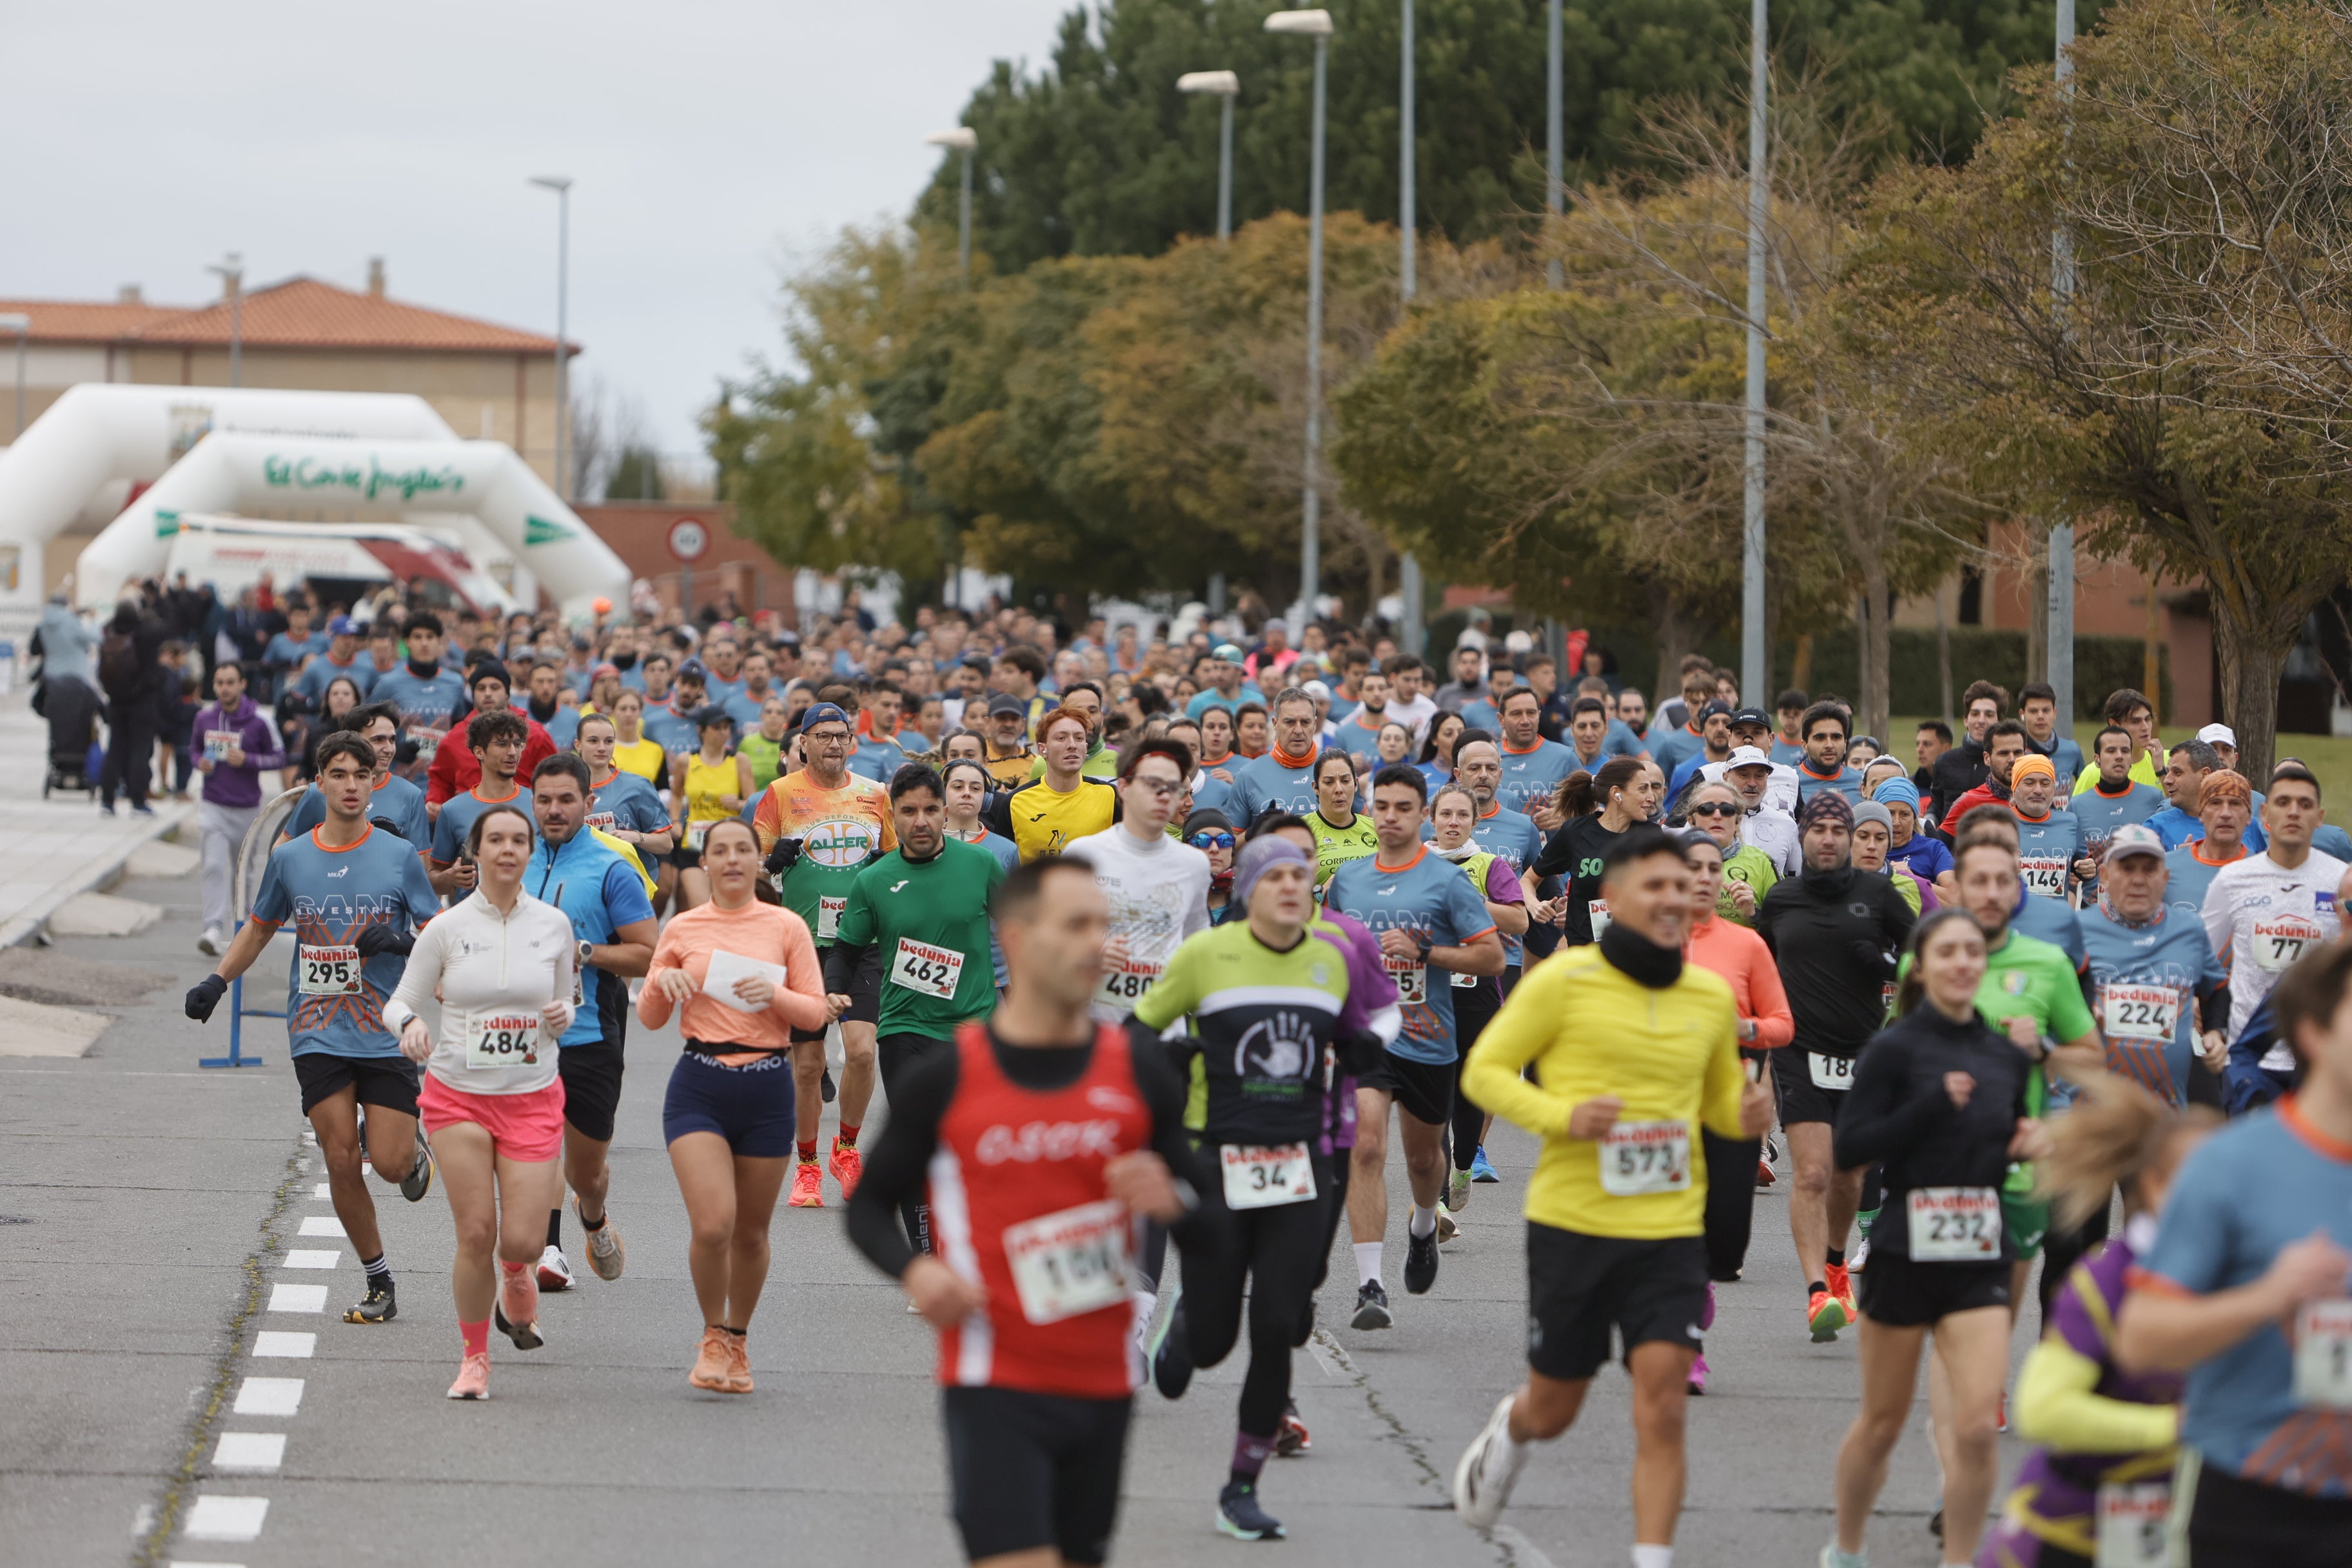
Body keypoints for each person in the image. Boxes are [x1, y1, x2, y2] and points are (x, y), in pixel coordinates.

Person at [846, 858, 1217, 1568]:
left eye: (1101, 925)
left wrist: (1177, 1205)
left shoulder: (1140, 1071)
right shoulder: (947, 1077)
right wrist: (917, 1270)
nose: (1096, 943)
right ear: (1016, 939)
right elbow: (866, 1207)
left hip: (1104, 1384)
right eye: (1075, 925)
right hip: (995, 1380)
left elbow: (1215, 1230)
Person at [1451, 828, 1773, 1554]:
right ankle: (1513, 1430)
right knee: (1556, 1405)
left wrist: (1744, 1116)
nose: (1673, 897)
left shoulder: (1707, 997)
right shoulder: (1565, 981)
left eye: (1681, 885)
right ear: (1615, 898)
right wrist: (1563, 1116)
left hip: (1671, 1229)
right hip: (1574, 1224)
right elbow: (1485, 1072)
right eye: (1655, 885)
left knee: (1663, 1404)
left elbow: (1716, 1106)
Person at [1137, 836, 1369, 1542]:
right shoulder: (1206, 955)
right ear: (1248, 889)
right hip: (1216, 1161)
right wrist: (1170, 1067)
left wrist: (1368, 1054)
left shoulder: (1332, 959)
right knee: (1214, 1342)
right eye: (1276, 877)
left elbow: (1356, 1037)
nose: (1292, 886)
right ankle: (1186, 1328)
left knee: (1276, 1324)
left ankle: (1242, 1488)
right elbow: (1136, 1037)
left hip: (1300, 1165)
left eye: (1302, 874)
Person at [184, 733, 442, 1324]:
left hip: (384, 1024)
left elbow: (439, 931)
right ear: (319, 782)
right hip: (317, 1025)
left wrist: (400, 940)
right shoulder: (291, 857)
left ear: (374, 783)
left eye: (361, 775)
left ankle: (409, 1148)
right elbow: (259, 927)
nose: (351, 785)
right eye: (339, 774)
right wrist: (217, 981)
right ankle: (379, 1281)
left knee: (391, 1164)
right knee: (341, 1156)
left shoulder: (399, 855)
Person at [2118, 937, 2352, 1566]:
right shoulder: (2229, 1165)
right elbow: (2142, 1339)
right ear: (2314, 1033)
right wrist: (2269, 1297)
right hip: (2252, 1495)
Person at [1822, 908, 2043, 1568]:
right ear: (1921, 966)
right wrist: (1927, 1106)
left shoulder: (2005, 1056)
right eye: (1947, 951)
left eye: (1973, 951)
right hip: (1905, 1252)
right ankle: (1847, 1548)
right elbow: (1851, 1149)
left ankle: (1960, 1559)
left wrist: (2026, 1143)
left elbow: (2002, 1140)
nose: (1963, 962)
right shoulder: (1894, 1049)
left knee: (1975, 1427)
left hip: (1979, 1254)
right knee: (1882, 1422)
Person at [1979, 1073, 2215, 1568]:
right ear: (2153, 1188)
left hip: (2192, 1527)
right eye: (2197, 1185)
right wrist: (2177, 1428)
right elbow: (2042, 1410)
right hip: (2070, 1530)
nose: (2219, 1202)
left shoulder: (2244, 1279)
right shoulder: (2106, 1281)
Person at [382, 802, 577, 1398]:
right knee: (475, 1233)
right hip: (458, 1095)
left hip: (531, 1096)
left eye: (519, 840)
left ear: (531, 851)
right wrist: (411, 1024)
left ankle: (515, 1273)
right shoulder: (446, 928)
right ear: (477, 851)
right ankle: (474, 1360)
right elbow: (399, 1001)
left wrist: (562, 1016)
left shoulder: (554, 925)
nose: (508, 849)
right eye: (496, 840)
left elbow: (568, 1001)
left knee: (523, 1241)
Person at [638, 818, 832, 1393]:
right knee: (713, 1223)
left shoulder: (785, 926)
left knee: (750, 1233)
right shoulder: (684, 928)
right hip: (700, 1083)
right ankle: (712, 1335)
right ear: (704, 863)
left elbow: (815, 1013)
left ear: (756, 860)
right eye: (718, 851)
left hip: (768, 1086)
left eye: (742, 850)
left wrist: (774, 994)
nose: (730, 860)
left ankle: (738, 1339)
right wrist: (663, 983)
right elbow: (650, 1017)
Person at [1325, 765, 1505, 1327]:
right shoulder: (1348, 880)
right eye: (1382, 806)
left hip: (1428, 1038)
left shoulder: (1448, 881)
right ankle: (1370, 1285)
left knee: (1425, 1160)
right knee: (1366, 1147)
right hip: (1367, 1037)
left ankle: (1425, 1227)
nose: (1391, 817)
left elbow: (1492, 957)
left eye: (1404, 807)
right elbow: (1328, 949)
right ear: (1371, 809)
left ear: (1422, 814)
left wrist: (1425, 953)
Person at [823, 763, 1008, 1258]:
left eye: (930, 810)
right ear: (892, 817)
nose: (921, 821)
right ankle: (928, 1262)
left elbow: (1022, 930)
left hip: (974, 1029)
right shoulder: (874, 880)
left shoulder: (981, 866)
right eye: (908, 811)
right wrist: (834, 990)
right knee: (916, 1142)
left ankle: (973, 1250)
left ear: (945, 813)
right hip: (904, 1030)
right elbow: (845, 950)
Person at [1756, 791, 1917, 1342]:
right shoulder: (1781, 899)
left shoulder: (1878, 894)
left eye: (1838, 830)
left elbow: (1925, 956)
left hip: (1863, 1055)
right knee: (1814, 1173)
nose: (1828, 838)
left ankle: (1834, 1261)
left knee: (1849, 1175)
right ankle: (1817, 1293)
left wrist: (1888, 963)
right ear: (1803, 835)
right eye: (1818, 829)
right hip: (1798, 1052)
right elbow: (1758, 964)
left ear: (1850, 840)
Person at [750, 701, 895, 1209]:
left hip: (861, 941)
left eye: (842, 735)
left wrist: (885, 865)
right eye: (824, 735)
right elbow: (752, 868)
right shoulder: (780, 794)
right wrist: (771, 862)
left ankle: (847, 1150)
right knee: (809, 1065)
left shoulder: (875, 794)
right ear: (804, 743)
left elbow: (898, 864)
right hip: (803, 944)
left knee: (862, 1052)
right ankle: (807, 1165)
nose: (835, 744)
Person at [526, 754, 660, 1291]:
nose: (554, 810)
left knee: (586, 1172)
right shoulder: (512, 861)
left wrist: (583, 951)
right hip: (521, 1039)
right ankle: (548, 1249)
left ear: (589, 802)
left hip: (589, 1038)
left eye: (566, 799)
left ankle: (594, 1216)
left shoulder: (612, 867)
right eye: (544, 800)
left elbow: (647, 954)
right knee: (535, 1148)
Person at [1681, 828, 1794, 1378]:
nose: (1705, 877)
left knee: (1725, 1246)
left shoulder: (1747, 945)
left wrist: (1745, 1027)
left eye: (1713, 868)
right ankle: (1685, 1344)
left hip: (1730, 1106)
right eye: (1692, 868)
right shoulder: (1643, 940)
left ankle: (1697, 1297)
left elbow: (1783, 1024)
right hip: (1663, 1107)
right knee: (1671, 1228)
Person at [2201, 765, 2347, 1083]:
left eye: (2305, 805)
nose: (2293, 812)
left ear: (2320, 817)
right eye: (2283, 803)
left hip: (2320, 1058)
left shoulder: (2342, 882)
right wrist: (2210, 1025)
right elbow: (2200, 958)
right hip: (2249, 1056)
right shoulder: (2233, 879)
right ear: (2264, 813)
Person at [1426, 782, 1530, 1227]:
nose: (1453, 823)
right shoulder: (1414, 864)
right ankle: (1437, 1202)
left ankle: (1465, 1165)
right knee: (1434, 1097)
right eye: (1445, 815)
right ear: (1432, 819)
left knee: (1469, 1094)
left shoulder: (1490, 865)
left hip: (1478, 992)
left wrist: (1472, 903)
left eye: (1461, 815)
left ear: (1475, 821)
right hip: (1426, 990)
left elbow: (1520, 920)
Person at [2081, 823, 2230, 1112]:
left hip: (2166, 1111)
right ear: (2105, 876)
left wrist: (2215, 1032)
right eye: (2127, 869)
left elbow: (2217, 988)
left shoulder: (2190, 929)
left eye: (2149, 870)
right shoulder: (2077, 930)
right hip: (2095, 1112)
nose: (2138, 880)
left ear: (2165, 878)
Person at [191, 660, 284, 956]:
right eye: (219, 683)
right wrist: (200, 763)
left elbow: (279, 757)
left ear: (243, 684)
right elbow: (194, 749)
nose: (225, 689)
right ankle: (212, 928)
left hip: (247, 808)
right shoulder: (204, 718)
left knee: (243, 871)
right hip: (213, 805)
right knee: (213, 865)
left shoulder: (260, 720)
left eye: (231, 682)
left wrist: (248, 760)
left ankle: (242, 927)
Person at [1531, 758, 1663, 948]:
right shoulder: (1576, 831)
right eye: (1643, 789)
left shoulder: (1652, 836)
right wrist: (1534, 905)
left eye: (1652, 789)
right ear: (1616, 793)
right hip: (1584, 953)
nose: (1651, 797)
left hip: (1633, 952)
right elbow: (1528, 880)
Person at [988, 707, 1119, 863]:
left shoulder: (1110, 795)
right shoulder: (1015, 802)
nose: (1072, 745)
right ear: (1043, 749)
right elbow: (1003, 864)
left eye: (1079, 738)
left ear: (1085, 747)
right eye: (1061, 738)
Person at [425, 662, 556, 815]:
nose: (487, 693)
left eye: (495, 687)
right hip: (469, 819)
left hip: (521, 816)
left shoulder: (535, 734)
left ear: (507, 693)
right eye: (481, 688)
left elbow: (553, 778)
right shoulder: (454, 738)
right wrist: (435, 802)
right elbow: (441, 780)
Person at [429, 710, 529, 899]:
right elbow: (434, 881)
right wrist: (450, 877)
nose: (513, 752)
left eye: (518, 744)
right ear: (479, 752)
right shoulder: (452, 811)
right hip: (475, 915)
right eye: (502, 744)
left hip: (529, 912)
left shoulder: (536, 803)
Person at [362, 611, 467, 783]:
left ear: (439, 641)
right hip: (400, 780)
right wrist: (394, 750)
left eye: (430, 637)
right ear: (407, 642)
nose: (424, 643)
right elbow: (364, 729)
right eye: (418, 637)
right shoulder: (388, 683)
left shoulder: (455, 682)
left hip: (442, 782)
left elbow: (461, 731)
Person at [671, 707, 754, 913]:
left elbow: (753, 803)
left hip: (728, 843)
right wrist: (676, 821)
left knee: (726, 905)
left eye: (726, 728)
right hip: (694, 843)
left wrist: (738, 804)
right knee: (700, 907)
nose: (723, 732)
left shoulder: (739, 760)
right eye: (716, 728)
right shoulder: (686, 760)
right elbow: (677, 794)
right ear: (701, 731)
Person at [2164, 768, 2253, 925]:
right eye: (2215, 803)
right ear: (2201, 813)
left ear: (2249, 816)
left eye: (2235, 804)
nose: (2225, 813)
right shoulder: (2165, 868)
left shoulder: (2264, 874)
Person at [2008, 754, 2091, 901]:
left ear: (2054, 789)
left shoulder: (2070, 822)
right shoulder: (1997, 824)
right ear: (2015, 788)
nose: (2038, 790)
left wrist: (2088, 869)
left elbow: (2085, 866)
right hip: (2012, 915)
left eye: (2045, 783)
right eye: (2029, 783)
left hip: (2056, 915)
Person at [1235, 687, 1324, 821]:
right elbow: (1232, 834)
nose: (1298, 730)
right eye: (1290, 722)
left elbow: (1357, 825)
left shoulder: (1336, 770)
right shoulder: (1248, 775)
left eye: (1305, 722)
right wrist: (1260, 830)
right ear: (1275, 724)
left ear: (1315, 724)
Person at [1494, 688, 1578, 820]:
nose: (1525, 721)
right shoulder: (1488, 760)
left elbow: (1590, 809)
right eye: (1516, 714)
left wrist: (1565, 817)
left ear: (1539, 715)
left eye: (1531, 713)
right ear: (1501, 719)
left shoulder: (1566, 758)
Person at [1304, 749, 1378, 889]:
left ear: (1356, 784)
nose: (1339, 789)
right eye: (1329, 782)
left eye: (1345, 781)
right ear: (1316, 788)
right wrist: (1319, 894)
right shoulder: (1303, 831)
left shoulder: (1376, 828)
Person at [2147, 738, 2224, 849]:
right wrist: (2180, 858)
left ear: (2205, 775)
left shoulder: (2242, 825)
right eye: (2168, 772)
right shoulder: (2155, 827)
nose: (2167, 780)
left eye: (2178, 773)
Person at [1793, 701, 1863, 810]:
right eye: (1820, 738)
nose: (1829, 745)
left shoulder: (1862, 782)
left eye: (1836, 737)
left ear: (1845, 744)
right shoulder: (1787, 781)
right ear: (1804, 745)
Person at [2016, 681, 2085, 789]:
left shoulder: (2072, 750)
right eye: (2033, 711)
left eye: (2046, 710)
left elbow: (2087, 789)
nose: (2040, 716)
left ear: (2054, 713)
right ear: (2022, 714)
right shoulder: (2015, 753)